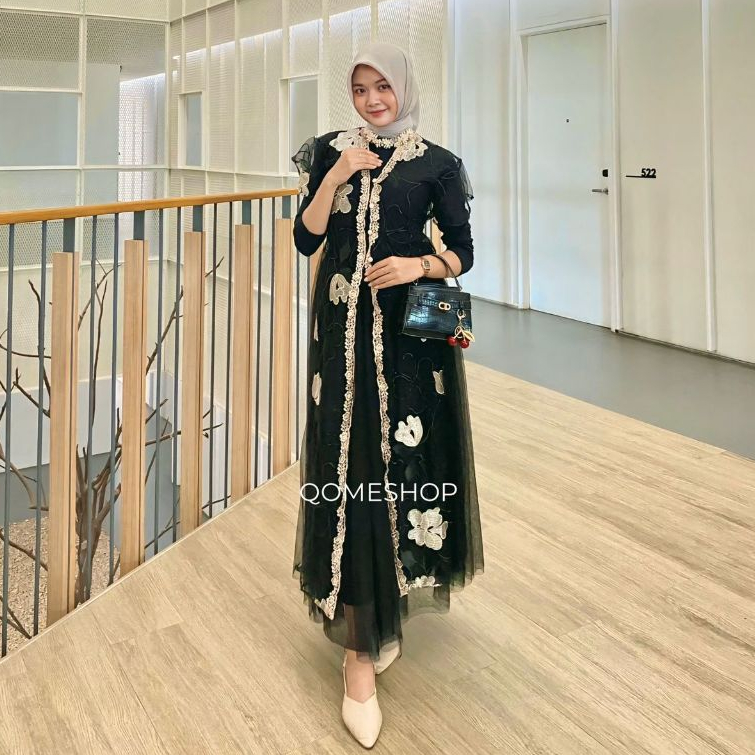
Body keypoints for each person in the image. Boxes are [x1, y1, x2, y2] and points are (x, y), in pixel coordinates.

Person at [291, 40, 484, 748]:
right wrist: (339, 172)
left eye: (383, 87)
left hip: (409, 347)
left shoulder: (438, 164)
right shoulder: (328, 151)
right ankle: (359, 654)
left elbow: (464, 251)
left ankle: (381, 615)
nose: (373, 100)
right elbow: (305, 238)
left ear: (403, 88)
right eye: (360, 89)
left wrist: (418, 263)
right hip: (341, 343)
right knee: (349, 473)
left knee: (399, 471)